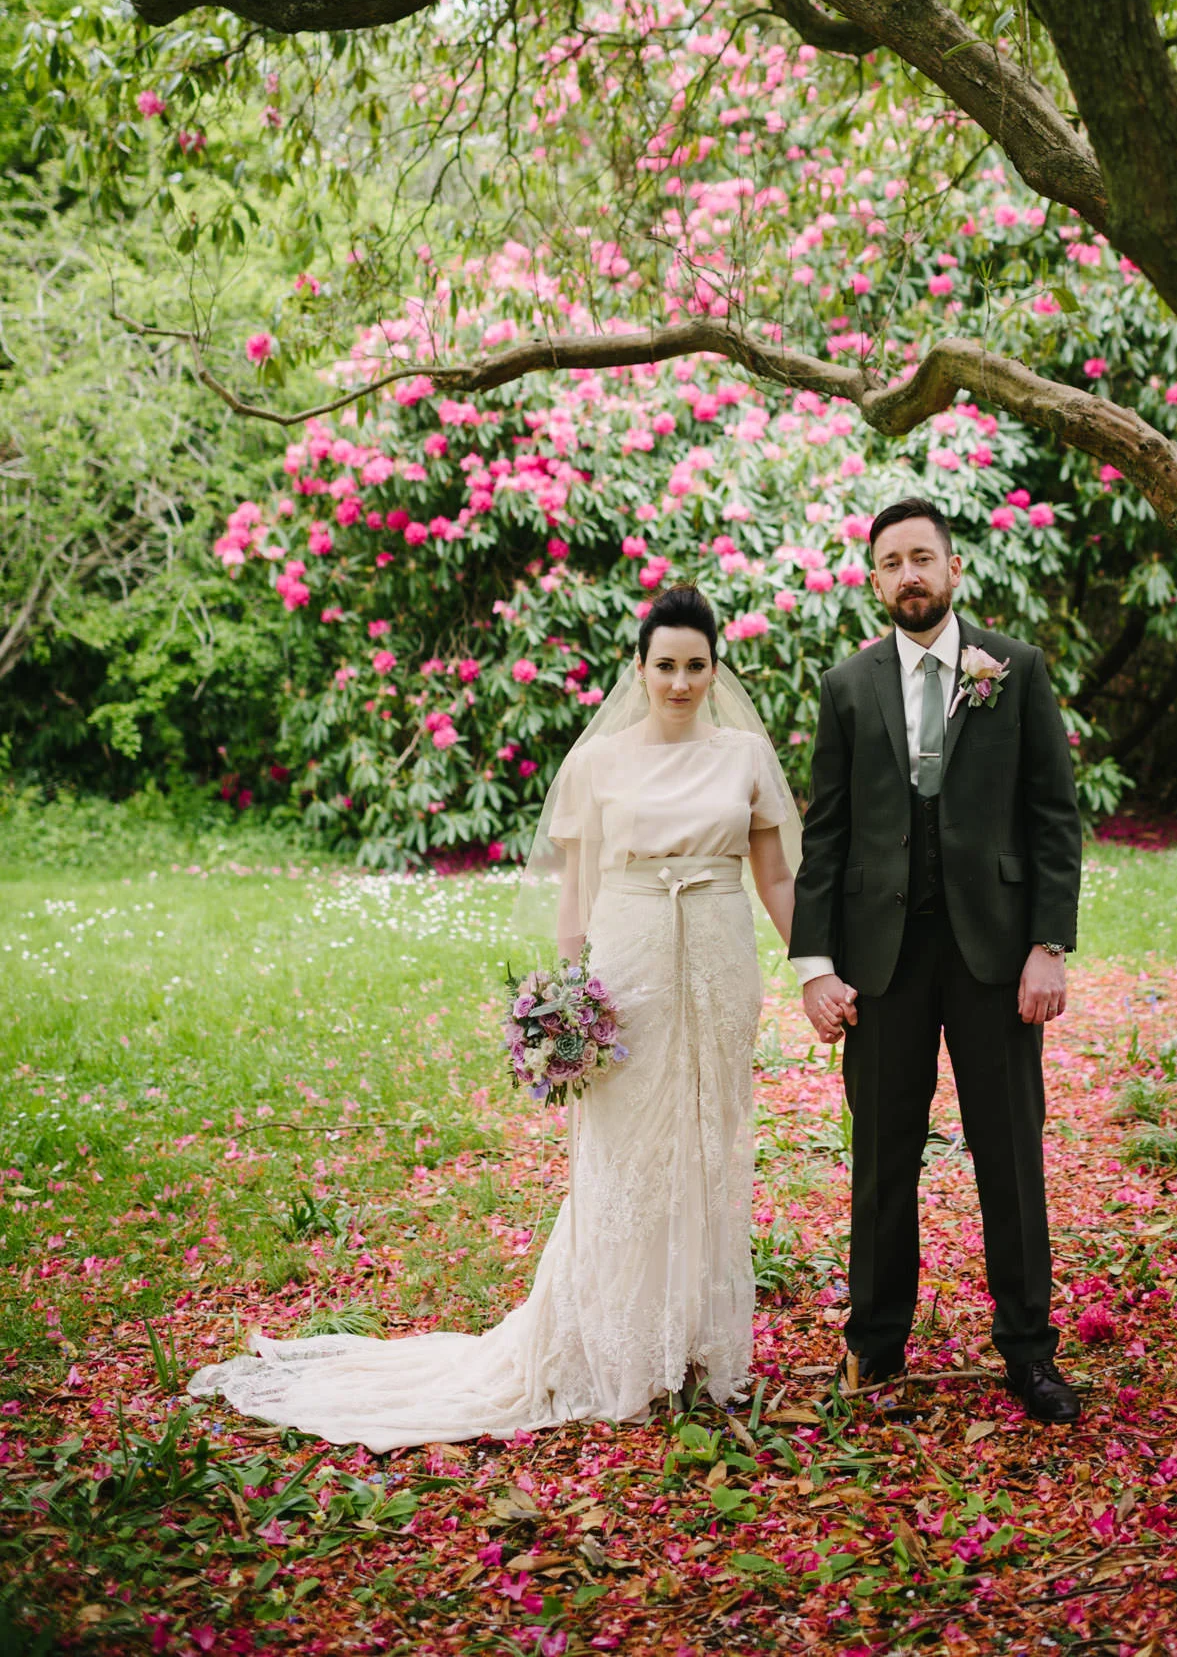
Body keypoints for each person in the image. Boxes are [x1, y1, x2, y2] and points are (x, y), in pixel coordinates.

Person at [188, 584, 801, 1450]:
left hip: (718, 962)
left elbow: (775, 877)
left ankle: (694, 1343)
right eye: (664, 664)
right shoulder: (599, 762)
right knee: (625, 1155)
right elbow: (576, 888)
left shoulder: (743, 754)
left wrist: (814, 966)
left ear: (714, 668)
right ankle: (614, 1345)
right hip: (631, 972)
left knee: (708, 1141)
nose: (680, 681)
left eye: (696, 665)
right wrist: (569, 998)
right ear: (639, 667)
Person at [789, 497, 1084, 1423]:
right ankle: (874, 1347)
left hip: (996, 954)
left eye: (924, 557)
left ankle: (1029, 1352)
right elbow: (826, 836)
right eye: (891, 562)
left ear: (953, 570)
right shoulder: (846, 686)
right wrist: (814, 963)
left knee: (1010, 1154)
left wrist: (1047, 945)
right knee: (882, 1159)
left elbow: (1052, 818)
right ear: (873, 579)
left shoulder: (1016, 669)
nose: (908, 574)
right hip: (881, 960)